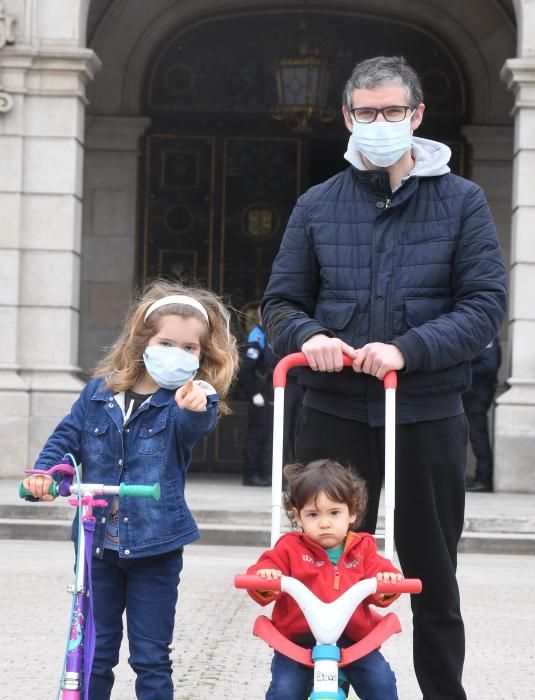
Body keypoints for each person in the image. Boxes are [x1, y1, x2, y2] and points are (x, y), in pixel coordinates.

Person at [261, 55, 507, 700]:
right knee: (321, 572)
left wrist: (407, 349)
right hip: (333, 413)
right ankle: (328, 685)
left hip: (424, 412)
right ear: (347, 117)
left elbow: (484, 306)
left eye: (392, 112)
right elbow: (281, 303)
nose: (379, 123)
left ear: (416, 116)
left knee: (431, 574)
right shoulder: (317, 204)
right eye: (366, 113)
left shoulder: (462, 201)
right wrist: (309, 336)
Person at [22, 279, 239, 700]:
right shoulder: (98, 393)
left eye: (189, 348)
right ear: (143, 340)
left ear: (202, 354)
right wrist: (46, 475)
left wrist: (196, 407)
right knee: (94, 652)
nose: (177, 353)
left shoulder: (190, 398)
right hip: (97, 546)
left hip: (156, 547)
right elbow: (66, 440)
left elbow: (197, 424)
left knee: (151, 656)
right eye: (167, 342)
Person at [246, 459, 402, 700]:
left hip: (353, 640)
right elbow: (266, 567)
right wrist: (266, 577)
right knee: (285, 690)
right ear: (298, 517)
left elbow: (381, 573)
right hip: (298, 643)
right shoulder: (289, 548)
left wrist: (387, 581)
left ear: (352, 513)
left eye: (334, 512)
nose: (325, 522)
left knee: (381, 683)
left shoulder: (363, 548)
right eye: (313, 514)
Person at [239, 307, 276, 486]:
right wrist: (254, 393)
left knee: (264, 435)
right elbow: (246, 369)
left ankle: (261, 473)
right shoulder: (257, 336)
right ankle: (250, 474)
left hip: (268, 392)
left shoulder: (267, 335)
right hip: (259, 393)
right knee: (256, 435)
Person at [463, 336, 502, 492]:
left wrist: (464, 373)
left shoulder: (487, 335)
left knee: (478, 434)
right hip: (476, 391)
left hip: (478, 392)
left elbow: (489, 365)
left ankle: (484, 478)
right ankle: (482, 477)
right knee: (476, 433)